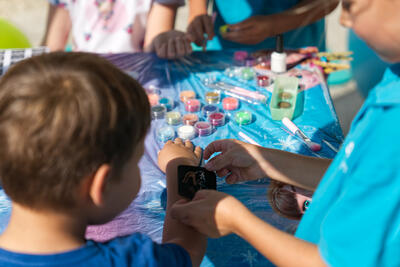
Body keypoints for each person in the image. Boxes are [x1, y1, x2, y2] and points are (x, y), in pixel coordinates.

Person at [169, 0, 400, 265]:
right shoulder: (394, 78)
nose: (344, 21)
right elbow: (352, 173)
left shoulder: (393, 125)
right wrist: (267, 161)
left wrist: (237, 220)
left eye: (351, 5)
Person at [0, 52, 206, 266]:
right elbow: (187, 248)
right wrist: (180, 169)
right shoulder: (131, 260)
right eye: (136, 161)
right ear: (102, 184)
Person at [44, 0, 193, 59]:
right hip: (83, 80)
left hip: (136, 83)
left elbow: (153, 53)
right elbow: (52, 49)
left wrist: (165, 41)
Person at [187, 0, 339, 51]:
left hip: (294, 51)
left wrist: (274, 25)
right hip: (224, 50)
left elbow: (329, 2)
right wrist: (197, 11)